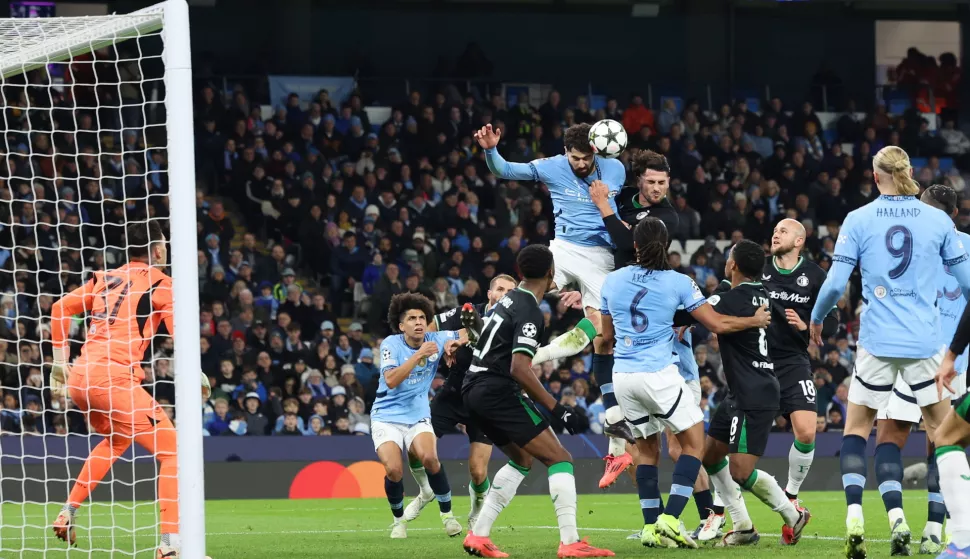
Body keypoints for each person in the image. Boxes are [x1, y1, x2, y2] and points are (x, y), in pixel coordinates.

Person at [809, 147, 970, 559]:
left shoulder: (858, 219)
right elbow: (968, 286)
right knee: (945, 436)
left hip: (877, 345)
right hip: (926, 345)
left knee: (857, 429)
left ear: (874, 175)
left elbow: (833, 286)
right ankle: (949, 533)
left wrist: (817, 318)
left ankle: (855, 517)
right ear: (909, 172)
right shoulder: (938, 220)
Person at [476, 122, 635, 487]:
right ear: (566, 153)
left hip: (600, 256)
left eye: (585, 158)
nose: (580, 164)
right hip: (562, 249)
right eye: (574, 158)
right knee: (520, 291)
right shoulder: (551, 165)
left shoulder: (614, 168)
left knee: (602, 335)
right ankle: (490, 337)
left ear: (597, 151)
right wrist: (490, 150)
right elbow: (505, 170)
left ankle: (612, 417)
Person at [600, 219, 771, 548]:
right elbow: (717, 323)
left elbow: (606, 338)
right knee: (693, 445)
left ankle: (651, 526)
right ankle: (670, 517)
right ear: (666, 246)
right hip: (659, 374)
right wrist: (754, 320)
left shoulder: (612, 281)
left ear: (634, 246)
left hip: (622, 376)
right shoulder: (679, 282)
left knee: (647, 453)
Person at [49, 221, 209, 558]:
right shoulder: (162, 284)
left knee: (116, 440)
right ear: (157, 250)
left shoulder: (104, 278)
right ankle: (169, 546)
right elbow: (178, 334)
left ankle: (68, 511)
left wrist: (58, 361)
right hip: (114, 380)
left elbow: (59, 308)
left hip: (80, 378)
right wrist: (195, 372)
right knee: (172, 453)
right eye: (163, 245)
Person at [459, 245, 614, 558]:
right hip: (497, 391)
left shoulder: (509, 301)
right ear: (551, 273)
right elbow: (520, 367)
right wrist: (557, 410)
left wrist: (587, 326)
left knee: (522, 459)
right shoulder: (530, 309)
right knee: (560, 458)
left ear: (519, 273)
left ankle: (478, 535)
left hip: (472, 389)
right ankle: (570, 542)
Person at [871, 185, 970, 554]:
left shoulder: (903, 243)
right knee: (945, 444)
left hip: (907, 354)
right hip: (953, 366)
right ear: (956, 214)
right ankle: (934, 529)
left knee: (888, 440)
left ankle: (898, 519)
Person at [701, 240, 812, 547]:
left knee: (740, 470)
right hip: (741, 392)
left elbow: (698, 314)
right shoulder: (754, 293)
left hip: (754, 395)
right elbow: (724, 296)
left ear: (733, 265)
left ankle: (793, 515)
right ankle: (744, 526)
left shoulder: (734, 298)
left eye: (728, 258)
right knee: (710, 456)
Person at [402, 274, 520, 528]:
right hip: (454, 392)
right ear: (489, 294)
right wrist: (442, 343)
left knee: (478, 472)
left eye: (511, 291)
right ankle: (425, 490)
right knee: (415, 448)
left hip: (486, 399)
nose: (505, 294)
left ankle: (477, 509)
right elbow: (431, 326)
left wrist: (459, 338)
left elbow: (484, 330)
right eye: (500, 289)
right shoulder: (466, 311)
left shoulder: (514, 323)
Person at [761, 218, 839, 531]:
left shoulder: (815, 276)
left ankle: (791, 496)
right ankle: (725, 510)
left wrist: (808, 326)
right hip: (757, 361)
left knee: (807, 432)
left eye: (783, 231)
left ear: (799, 241)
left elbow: (832, 320)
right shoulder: (759, 268)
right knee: (731, 444)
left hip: (793, 361)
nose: (775, 233)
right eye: (775, 229)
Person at [371, 293, 466, 539]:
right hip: (386, 415)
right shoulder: (391, 344)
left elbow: (468, 332)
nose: (418, 322)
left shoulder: (436, 338)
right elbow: (391, 380)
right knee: (393, 470)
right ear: (402, 326)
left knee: (431, 459)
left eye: (422, 317)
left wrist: (454, 343)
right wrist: (419, 355)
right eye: (411, 318)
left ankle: (448, 517)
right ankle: (398, 521)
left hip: (418, 414)